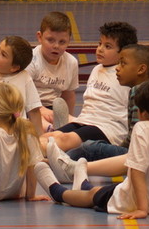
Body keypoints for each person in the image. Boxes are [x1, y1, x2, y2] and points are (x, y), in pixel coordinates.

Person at [50, 78, 149, 220]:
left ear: (144, 114)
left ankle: (58, 192)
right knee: (102, 190)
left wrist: (141, 209)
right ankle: (83, 183)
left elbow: (137, 172)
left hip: (132, 201)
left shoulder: (143, 128)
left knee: (92, 196)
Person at [43, 21, 137, 154]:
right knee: (47, 137)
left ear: (123, 52)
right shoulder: (96, 69)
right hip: (84, 121)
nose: (100, 49)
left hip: (107, 129)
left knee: (62, 140)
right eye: (100, 44)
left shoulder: (125, 75)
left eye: (108, 46)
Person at [0, 35, 44, 126]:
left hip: (15, 133)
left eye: (3, 55)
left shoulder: (24, 77)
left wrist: (39, 138)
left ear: (14, 67)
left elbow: (34, 111)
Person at [30, 12, 79, 127]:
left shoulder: (71, 62)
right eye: (50, 40)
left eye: (62, 42)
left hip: (54, 108)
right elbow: (22, 95)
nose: (56, 46)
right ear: (40, 37)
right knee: (45, 126)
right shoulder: (31, 60)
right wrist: (41, 110)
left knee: (77, 125)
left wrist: (68, 120)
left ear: (69, 40)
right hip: (30, 107)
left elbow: (69, 95)